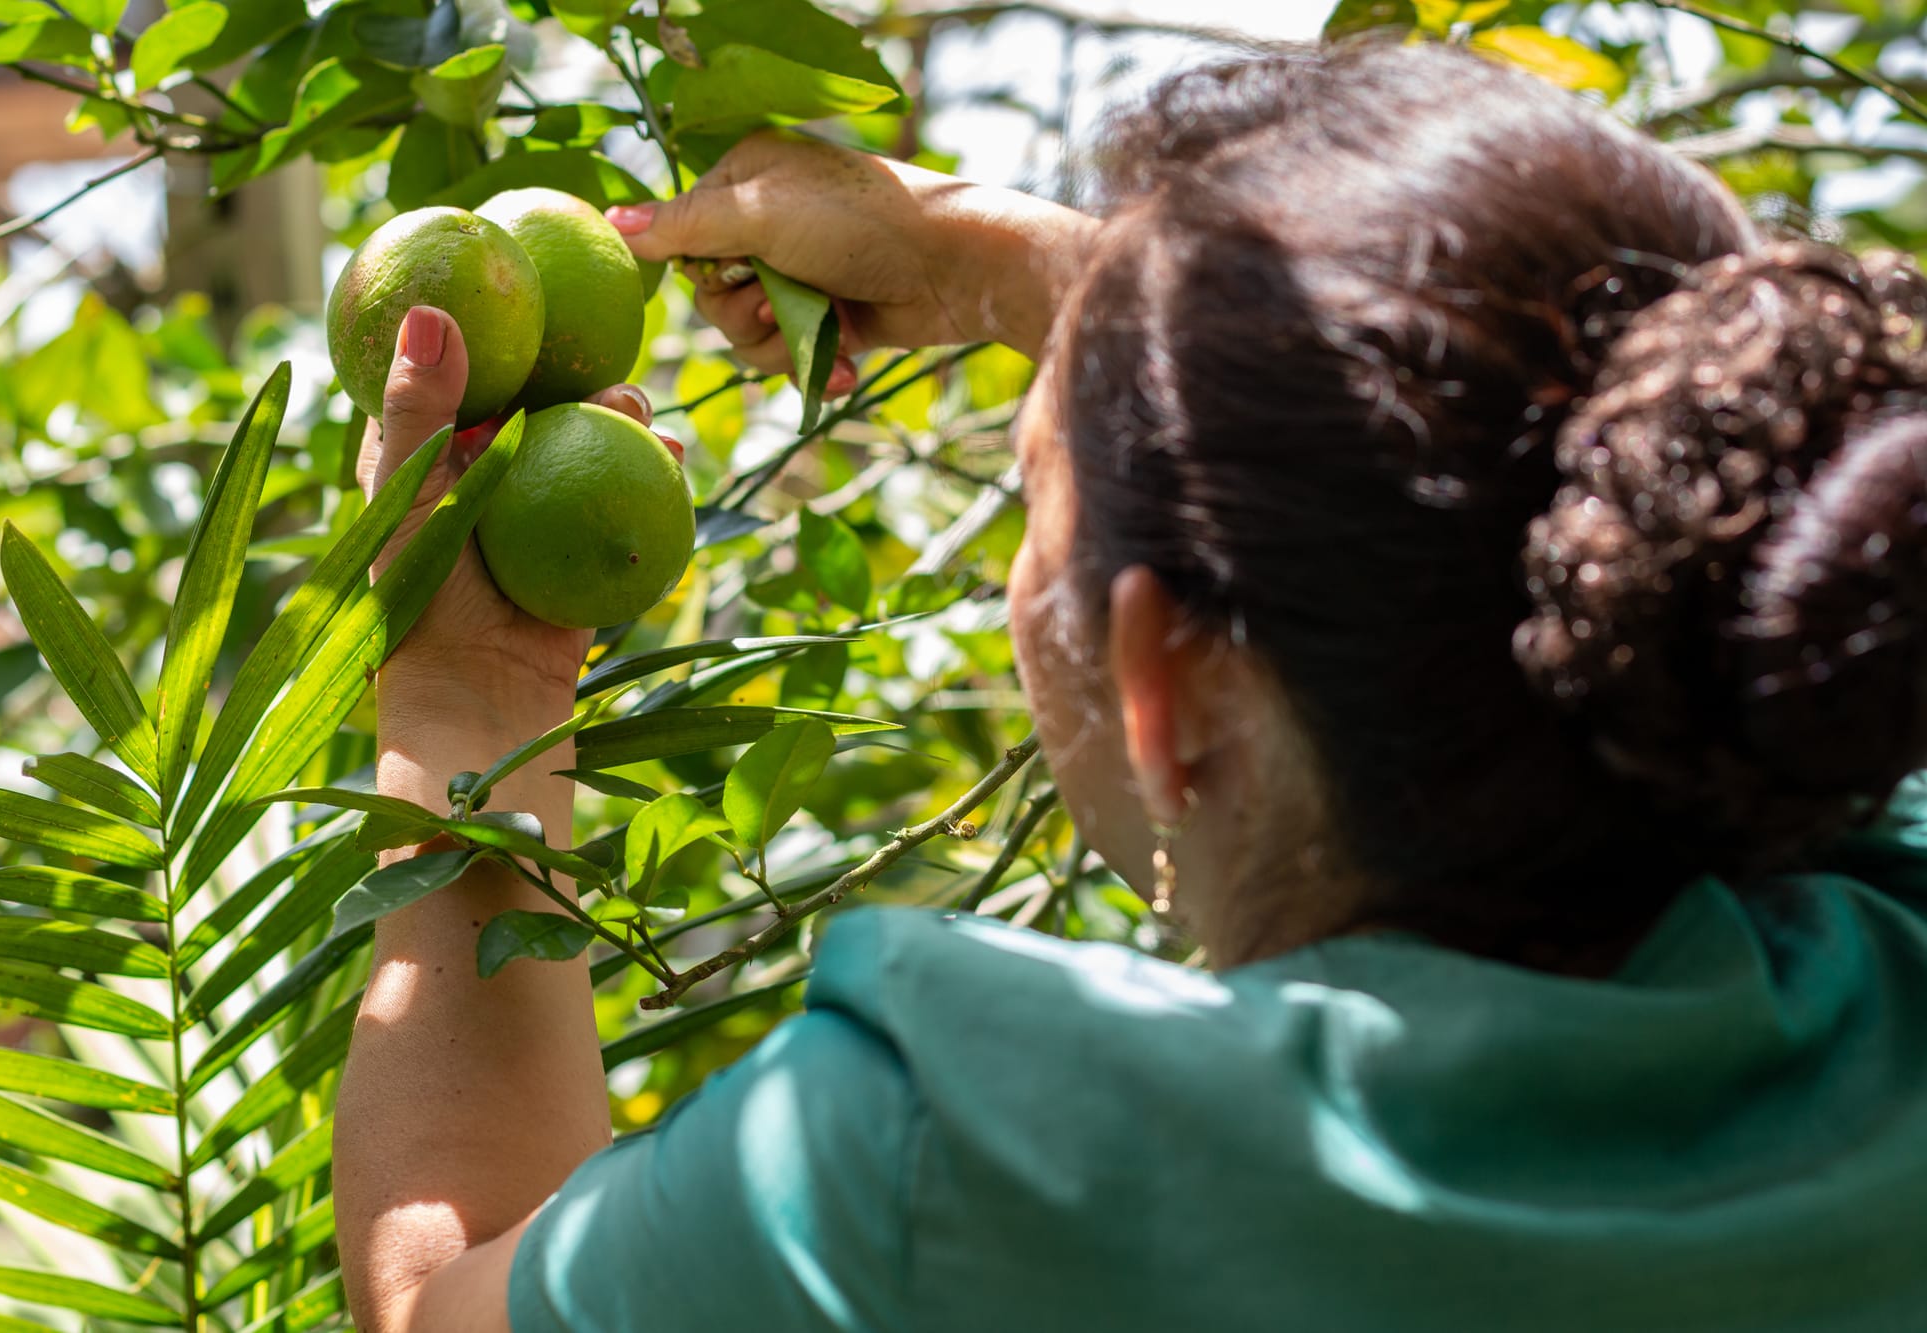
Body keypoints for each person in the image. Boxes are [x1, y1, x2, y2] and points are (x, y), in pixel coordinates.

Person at [332, 39, 1927, 1333]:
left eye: (1037, 496)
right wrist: (1017, 264)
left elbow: (444, 1282)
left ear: (1161, 676)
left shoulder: (941, 1161)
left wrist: (468, 702)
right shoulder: (1888, 944)